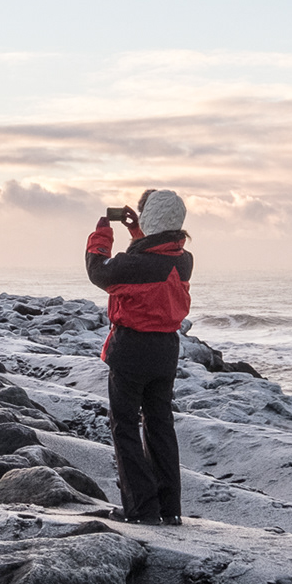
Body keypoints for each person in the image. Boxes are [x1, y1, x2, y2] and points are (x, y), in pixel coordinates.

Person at [85, 189, 192, 526]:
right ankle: (168, 507)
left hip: (132, 349)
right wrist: (137, 233)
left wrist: (103, 232)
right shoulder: (183, 259)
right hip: (165, 351)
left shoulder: (137, 265)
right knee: (161, 425)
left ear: (151, 219)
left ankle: (141, 509)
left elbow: (99, 271)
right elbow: (154, 254)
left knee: (126, 426)